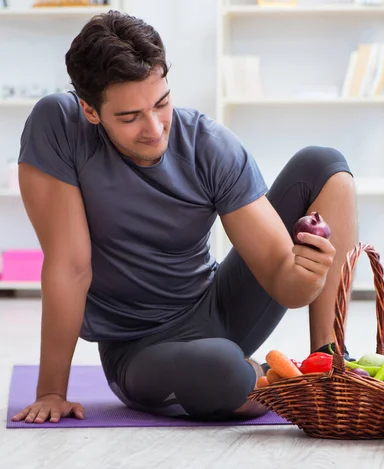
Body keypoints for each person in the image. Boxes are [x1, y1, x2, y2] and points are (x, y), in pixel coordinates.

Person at [11, 9, 358, 424]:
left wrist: (309, 275)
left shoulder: (208, 146)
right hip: (138, 348)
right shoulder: (59, 126)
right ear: (90, 110)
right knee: (225, 370)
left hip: (218, 307)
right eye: (129, 116)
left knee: (325, 164)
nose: (155, 129)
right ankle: (253, 380)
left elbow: (285, 286)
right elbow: (71, 266)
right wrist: (51, 391)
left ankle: (330, 359)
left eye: (161, 104)